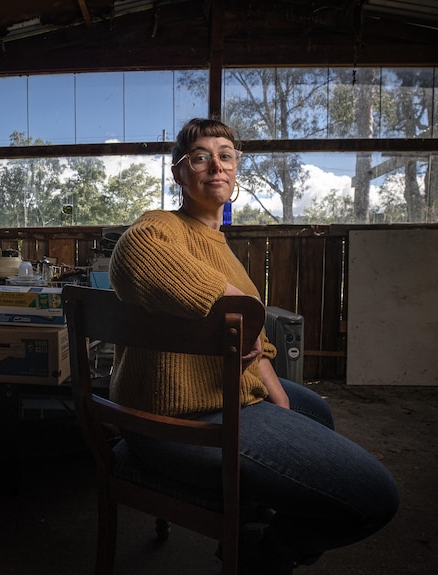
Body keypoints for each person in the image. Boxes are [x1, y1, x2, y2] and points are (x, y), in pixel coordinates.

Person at [107, 118, 399, 574]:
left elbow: (253, 339)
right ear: (180, 174)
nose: (215, 165)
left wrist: (276, 392)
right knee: (375, 498)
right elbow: (134, 256)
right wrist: (239, 309)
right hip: (174, 416)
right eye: (200, 156)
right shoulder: (159, 226)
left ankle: (255, 526)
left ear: (236, 169)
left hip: (221, 395)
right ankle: (263, 553)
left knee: (315, 411)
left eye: (226, 155)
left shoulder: (221, 247)